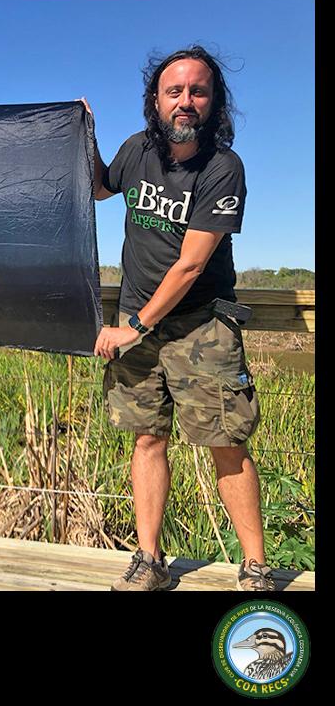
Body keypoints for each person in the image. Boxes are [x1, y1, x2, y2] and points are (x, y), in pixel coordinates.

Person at [84, 46, 274, 591]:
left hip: (200, 326)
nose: (185, 100)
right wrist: (84, 135)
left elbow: (191, 264)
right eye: (175, 91)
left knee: (226, 444)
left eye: (198, 91)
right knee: (147, 439)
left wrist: (133, 326)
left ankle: (256, 568)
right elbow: (98, 188)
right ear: (156, 100)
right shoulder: (137, 149)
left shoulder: (222, 167)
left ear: (214, 102)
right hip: (137, 319)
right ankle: (150, 562)